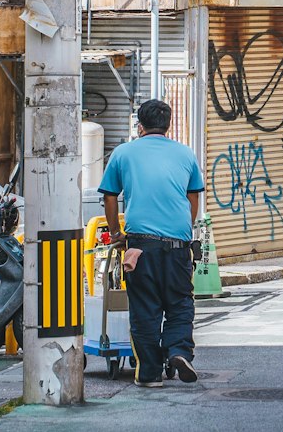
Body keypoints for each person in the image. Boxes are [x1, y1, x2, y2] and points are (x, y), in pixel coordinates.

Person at [99, 98, 205, 388]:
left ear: (140, 125)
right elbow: (192, 197)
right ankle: (179, 351)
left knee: (145, 309)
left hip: (139, 246)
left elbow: (110, 195)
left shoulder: (123, 153)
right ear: (167, 125)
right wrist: (184, 229)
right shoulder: (185, 154)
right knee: (180, 303)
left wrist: (116, 234)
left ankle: (149, 374)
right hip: (179, 246)